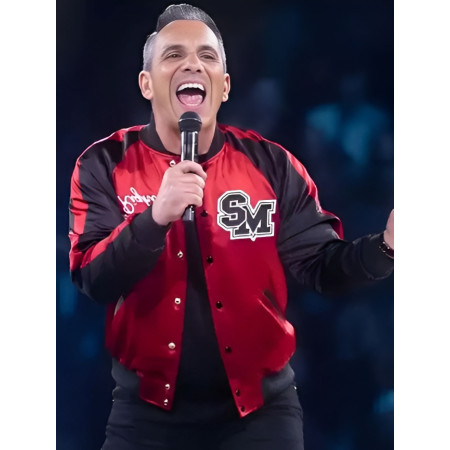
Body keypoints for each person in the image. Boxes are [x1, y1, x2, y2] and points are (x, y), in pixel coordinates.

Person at [68, 4, 394, 449]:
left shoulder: (272, 165)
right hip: (145, 416)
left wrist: (386, 247)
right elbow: (92, 277)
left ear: (223, 86)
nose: (192, 64)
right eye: (174, 54)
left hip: (260, 415)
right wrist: (154, 218)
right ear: (146, 83)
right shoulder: (104, 163)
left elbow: (323, 267)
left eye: (207, 56)